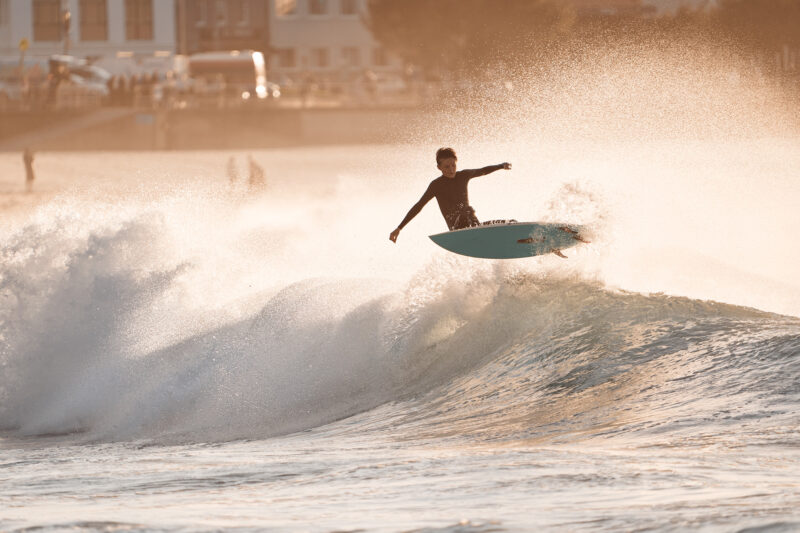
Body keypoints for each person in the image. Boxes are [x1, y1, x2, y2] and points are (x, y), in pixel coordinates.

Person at [389, 147, 511, 242]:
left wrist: (500, 166)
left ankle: (518, 237)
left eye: (453, 165)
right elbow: (419, 206)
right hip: (456, 228)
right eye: (447, 166)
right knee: (465, 212)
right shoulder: (436, 185)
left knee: (509, 222)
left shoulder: (463, 175)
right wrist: (399, 228)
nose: (451, 169)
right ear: (439, 167)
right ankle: (476, 232)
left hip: (473, 224)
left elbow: (483, 171)